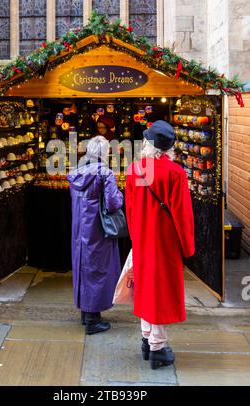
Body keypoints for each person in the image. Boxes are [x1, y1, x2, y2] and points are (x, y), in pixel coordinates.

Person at [125, 120, 195, 369]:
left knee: (146, 289)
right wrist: (188, 247)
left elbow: (131, 210)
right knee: (161, 293)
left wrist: (136, 237)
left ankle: (147, 338)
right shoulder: (175, 173)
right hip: (165, 242)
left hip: (143, 239)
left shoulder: (136, 170)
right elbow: (182, 215)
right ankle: (157, 346)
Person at [67, 135, 123, 335]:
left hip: (79, 229)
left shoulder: (76, 173)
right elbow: (113, 203)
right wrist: (121, 195)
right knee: (99, 269)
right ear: (105, 152)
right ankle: (93, 319)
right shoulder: (105, 173)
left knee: (83, 267)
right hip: (98, 229)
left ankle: (86, 312)